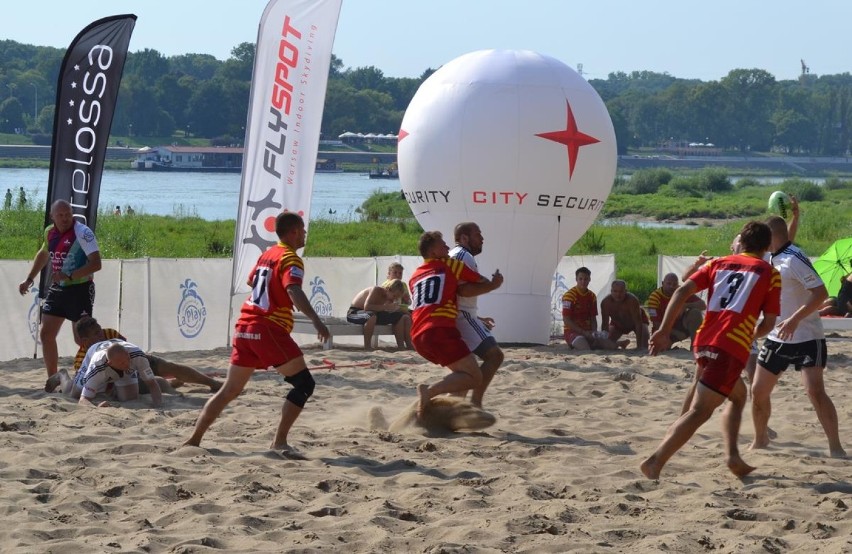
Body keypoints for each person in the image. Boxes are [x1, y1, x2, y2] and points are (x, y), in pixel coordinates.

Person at [641, 221, 780, 479]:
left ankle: (732, 456)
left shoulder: (718, 263)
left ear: (743, 243)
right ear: (766, 246)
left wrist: (663, 330)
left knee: (738, 396)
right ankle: (655, 461)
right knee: (701, 411)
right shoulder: (769, 272)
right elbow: (769, 323)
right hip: (729, 348)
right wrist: (750, 333)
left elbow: (682, 289)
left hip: (703, 340)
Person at [183, 212, 329, 456]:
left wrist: (274, 294)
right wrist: (316, 320)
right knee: (304, 384)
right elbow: (293, 288)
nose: (305, 234)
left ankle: (194, 439)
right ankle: (279, 442)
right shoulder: (290, 258)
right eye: (303, 230)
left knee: (229, 390)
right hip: (266, 328)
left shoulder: (267, 254)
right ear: (293, 231)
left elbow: (254, 282)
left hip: (244, 328)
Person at [749, 216, 846, 457]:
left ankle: (836, 447)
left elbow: (821, 293)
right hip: (776, 337)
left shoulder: (794, 259)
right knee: (758, 391)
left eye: (764, 236)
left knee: (815, 391)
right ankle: (760, 440)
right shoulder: (772, 255)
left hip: (807, 336)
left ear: (772, 237)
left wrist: (794, 319)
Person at [408, 231, 503, 418]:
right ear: (433, 252)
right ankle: (430, 392)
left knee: (463, 375)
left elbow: (438, 298)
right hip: (439, 331)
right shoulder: (450, 264)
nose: (447, 247)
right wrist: (494, 284)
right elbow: (477, 283)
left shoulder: (414, 277)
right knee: (474, 376)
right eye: (442, 244)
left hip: (418, 336)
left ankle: (445, 413)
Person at [18, 199, 102, 380]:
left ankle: (101, 371)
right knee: (46, 334)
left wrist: (71, 275)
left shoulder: (83, 232)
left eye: (68, 215)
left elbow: (96, 264)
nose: (65, 219)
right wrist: (29, 279)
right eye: (61, 215)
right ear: (52, 216)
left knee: (82, 338)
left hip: (80, 288)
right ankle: (53, 378)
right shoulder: (50, 232)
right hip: (58, 289)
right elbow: (43, 254)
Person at [49, 316, 222, 393]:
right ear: (85, 340)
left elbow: (125, 347)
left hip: (129, 361)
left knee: (168, 366)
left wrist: (142, 358)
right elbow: (97, 388)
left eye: (99, 331)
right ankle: (62, 375)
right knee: (155, 384)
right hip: (117, 377)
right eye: (95, 334)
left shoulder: (109, 333)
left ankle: (212, 383)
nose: (101, 335)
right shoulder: (83, 359)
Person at [448, 222, 505, 408]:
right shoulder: (464, 256)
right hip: (463, 317)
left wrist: (478, 318)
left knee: (468, 371)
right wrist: (493, 285)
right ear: (464, 238)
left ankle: (449, 409)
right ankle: (475, 404)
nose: (482, 238)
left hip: (459, 315)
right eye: (478, 234)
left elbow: (455, 292)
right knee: (494, 356)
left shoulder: (454, 255)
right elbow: (463, 291)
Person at [53, 340, 164, 409]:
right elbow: (83, 399)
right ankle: (62, 375)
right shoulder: (97, 366)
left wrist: (158, 405)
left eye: (127, 359)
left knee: (130, 399)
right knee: (73, 394)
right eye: (121, 363)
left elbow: (152, 383)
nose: (126, 364)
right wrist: (97, 408)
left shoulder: (137, 356)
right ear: (110, 363)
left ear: (127, 354)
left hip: (118, 351)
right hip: (94, 352)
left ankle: (113, 388)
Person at [561, 267, 622, 350]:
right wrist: (583, 332)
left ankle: (617, 344)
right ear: (576, 279)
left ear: (589, 279)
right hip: (572, 331)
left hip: (588, 332)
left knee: (611, 346)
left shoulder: (592, 296)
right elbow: (566, 320)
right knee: (585, 347)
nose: (583, 281)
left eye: (586, 279)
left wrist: (594, 331)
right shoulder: (569, 296)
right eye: (580, 279)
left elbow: (593, 318)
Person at [346, 279, 413, 350]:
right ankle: (367, 346)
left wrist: (402, 311)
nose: (394, 299)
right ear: (388, 289)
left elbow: (384, 309)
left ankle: (402, 346)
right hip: (354, 312)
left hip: (373, 313)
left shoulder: (387, 296)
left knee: (400, 317)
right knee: (371, 316)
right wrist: (386, 307)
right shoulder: (376, 290)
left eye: (396, 298)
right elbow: (367, 307)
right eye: (394, 296)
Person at [645, 272, 706, 348]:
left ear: (677, 284)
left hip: (681, 326)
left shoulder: (681, 292)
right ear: (663, 283)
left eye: (674, 284)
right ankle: (670, 343)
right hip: (663, 330)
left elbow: (703, 305)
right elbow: (657, 324)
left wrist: (685, 305)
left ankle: (695, 346)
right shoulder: (655, 297)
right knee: (662, 347)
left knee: (695, 313)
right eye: (669, 284)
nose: (671, 286)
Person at [600, 280, 650, 350]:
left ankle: (640, 345)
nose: (618, 294)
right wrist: (604, 341)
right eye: (615, 291)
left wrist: (639, 347)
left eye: (621, 291)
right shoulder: (606, 302)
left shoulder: (632, 300)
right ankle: (621, 343)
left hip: (637, 323)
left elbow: (638, 323)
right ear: (611, 291)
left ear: (626, 291)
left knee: (644, 346)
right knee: (606, 344)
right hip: (617, 325)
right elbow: (605, 324)